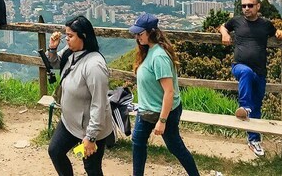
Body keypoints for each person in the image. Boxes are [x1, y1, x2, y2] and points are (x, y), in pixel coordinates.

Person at [129, 12, 199, 176]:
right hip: (146, 110)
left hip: (162, 111)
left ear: (151, 32)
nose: (137, 37)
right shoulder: (148, 51)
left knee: (175, 146)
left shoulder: (159, 56)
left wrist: (162, 121)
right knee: (138, 142)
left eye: (140, 33)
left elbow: (169, 91)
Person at [46, 15, 114, 176]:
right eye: (66, 35)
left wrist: (91, 137)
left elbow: (100, 103)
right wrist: (53, 48)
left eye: (70, 36)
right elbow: (56, 63)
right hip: (70, 122)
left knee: (91, 167)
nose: (67, 39)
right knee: (55, 151)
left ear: (83, 36)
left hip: (90, 128)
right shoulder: (71, 52)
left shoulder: (94, 66)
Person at [219, 0, 282, 156]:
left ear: (258, 6)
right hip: (239, 67)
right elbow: (223, 26)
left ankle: (254, 140)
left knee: (257, 105)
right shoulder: (236, 21)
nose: (246, 9)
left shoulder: (265, 24)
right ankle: (244, 106)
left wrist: (279, 33)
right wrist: (225, 33)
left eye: (250, 5)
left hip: (260, 71)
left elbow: (276, 31)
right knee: (246, 74)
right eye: (244, 6)